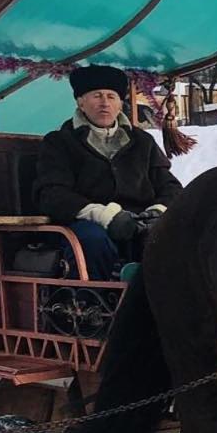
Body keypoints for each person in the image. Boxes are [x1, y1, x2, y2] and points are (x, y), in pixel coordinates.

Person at [33, 64, 183, 280]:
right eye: (97, 96)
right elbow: (52, 194)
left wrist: (156, 212)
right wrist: (102, 215)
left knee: (169, 238)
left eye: (111, 96)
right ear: (80, 102)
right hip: (85, 223)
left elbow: (170, 187)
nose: (105, 103)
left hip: (139, 221)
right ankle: (90, 300)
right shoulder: (59, 142)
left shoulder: (143, 141)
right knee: (93, 240)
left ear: (120, 103)